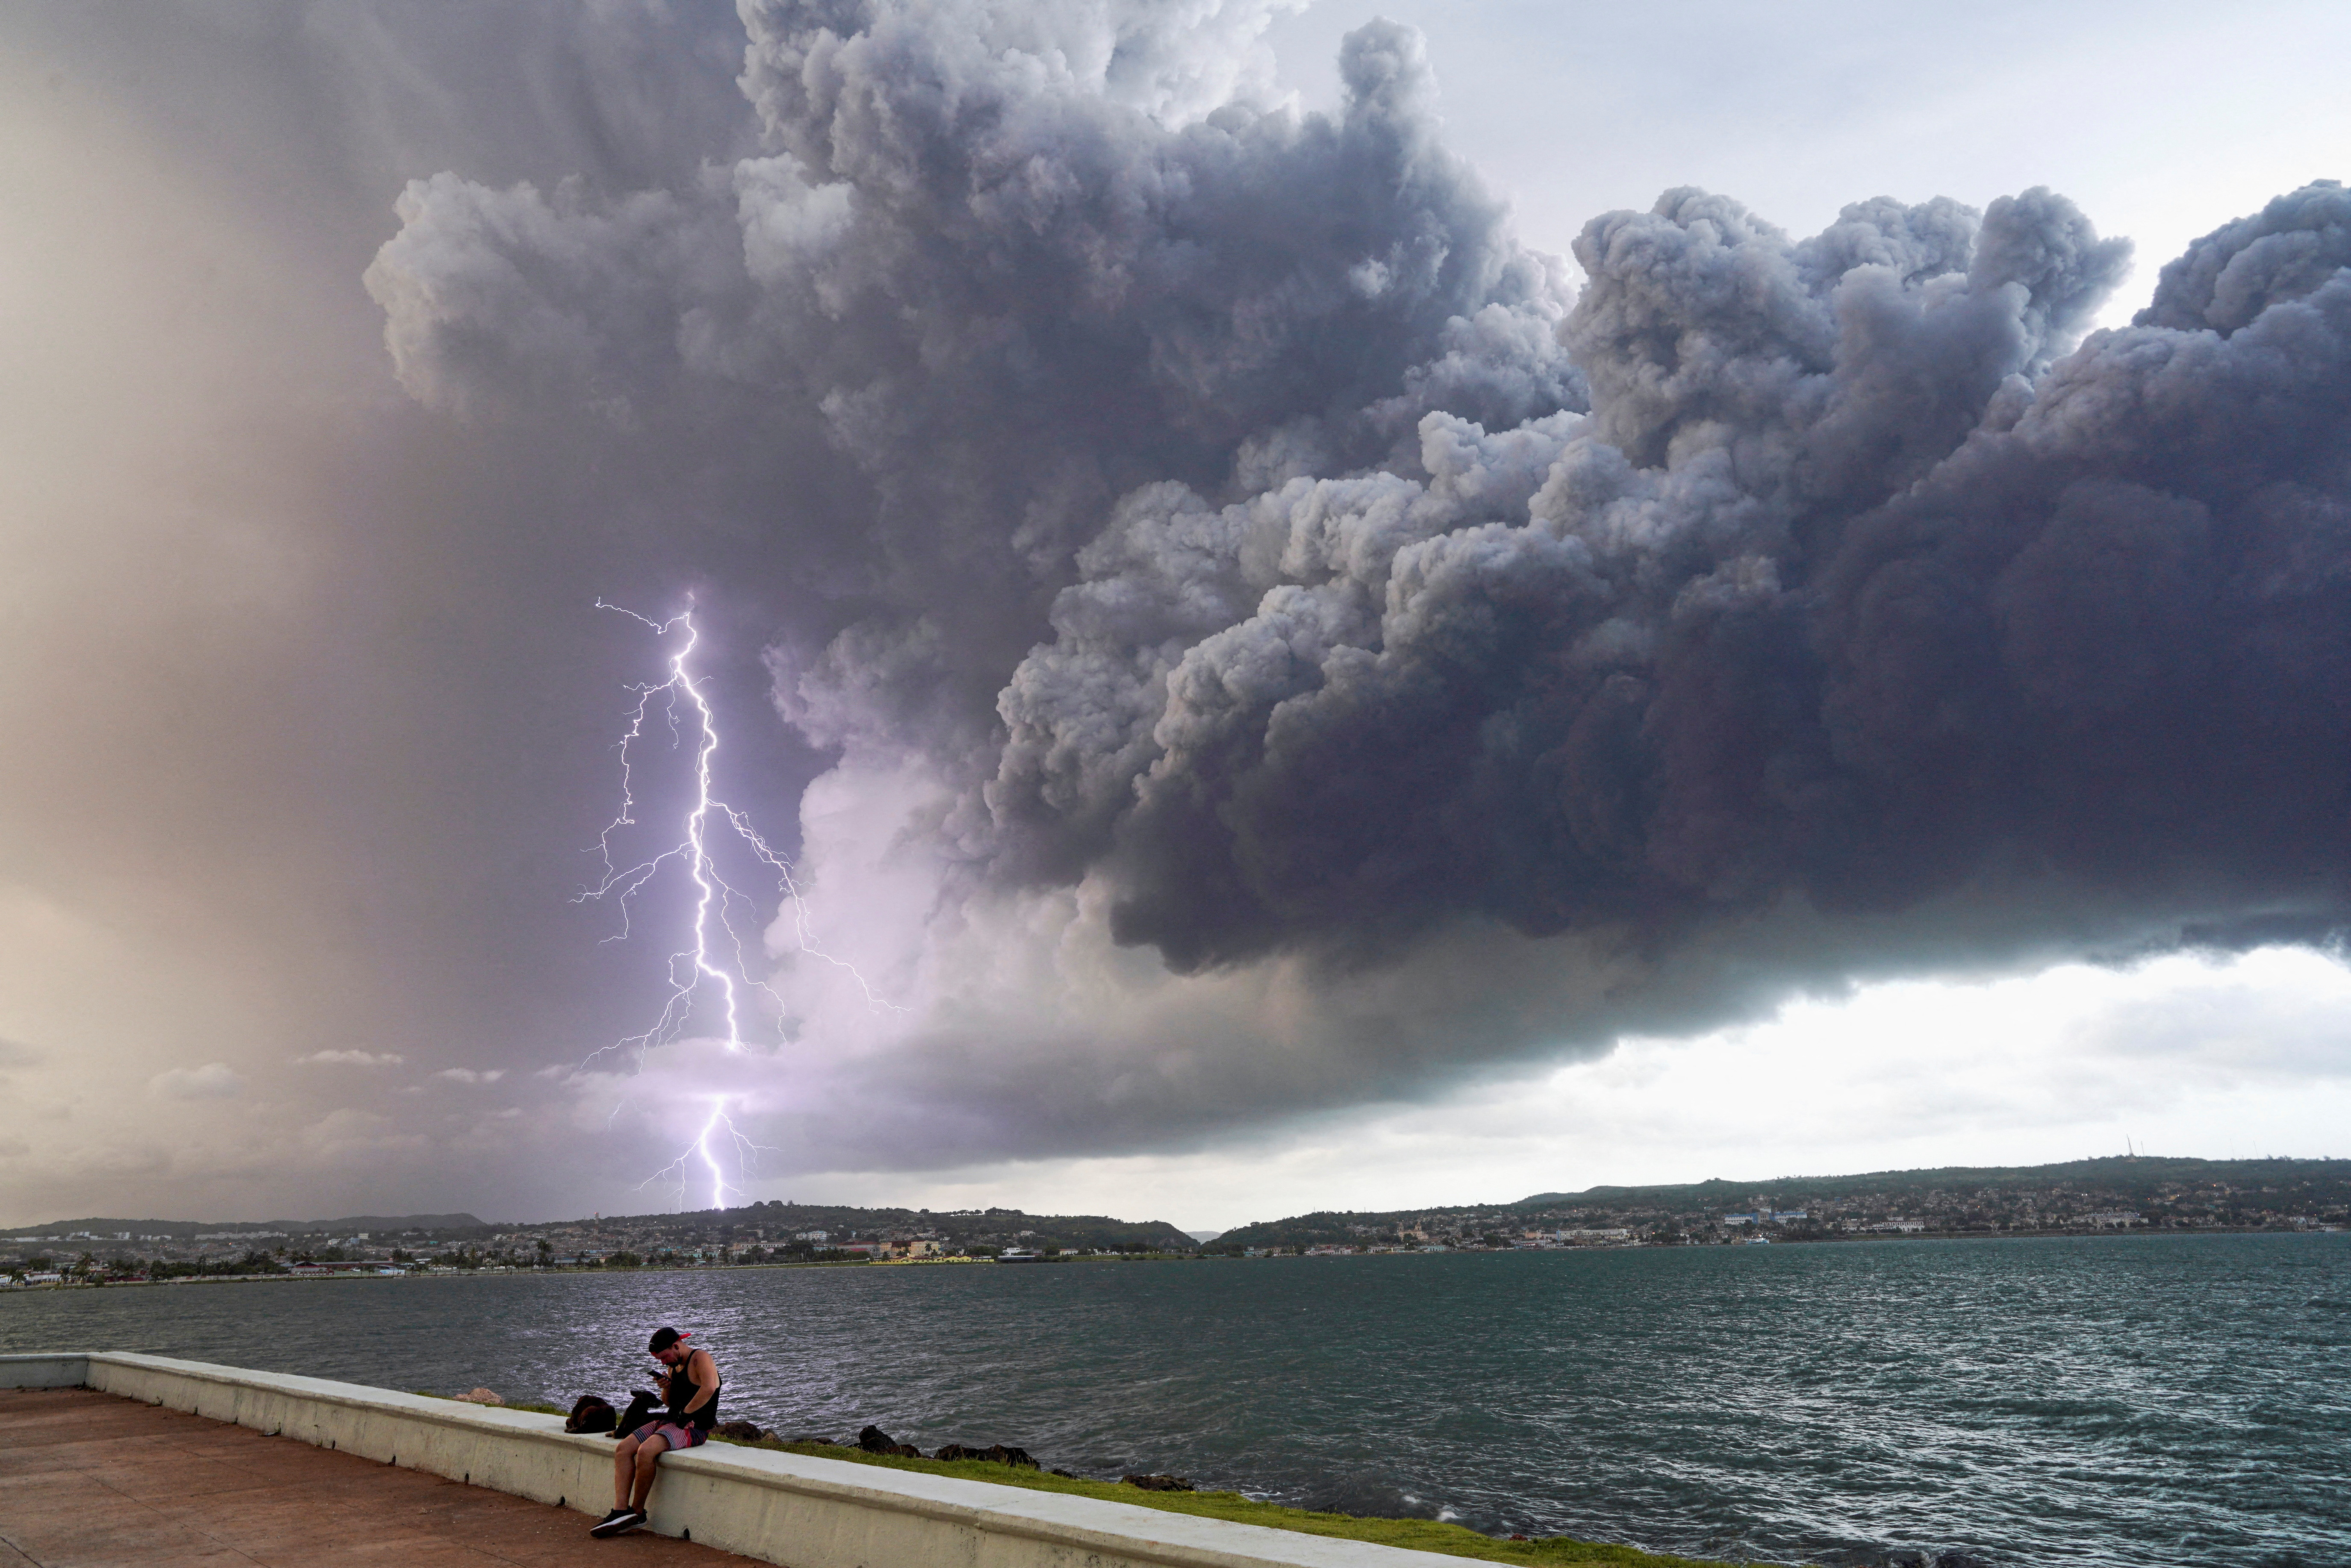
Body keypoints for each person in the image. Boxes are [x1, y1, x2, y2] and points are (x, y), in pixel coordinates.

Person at [591, 1327, 722, 1538]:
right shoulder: (673, 1367)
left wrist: (686, 1414)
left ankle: (637, 1513)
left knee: (645, 1451)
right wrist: (666, 1388)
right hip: (670, 1421)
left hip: (693, 1427)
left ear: (676, 1346)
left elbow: (710, 1387)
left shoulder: (701, 1358)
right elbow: (669, 1403)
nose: (662, 1363)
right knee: (623, 1449)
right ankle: (620, 1511)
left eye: (664, 1357)